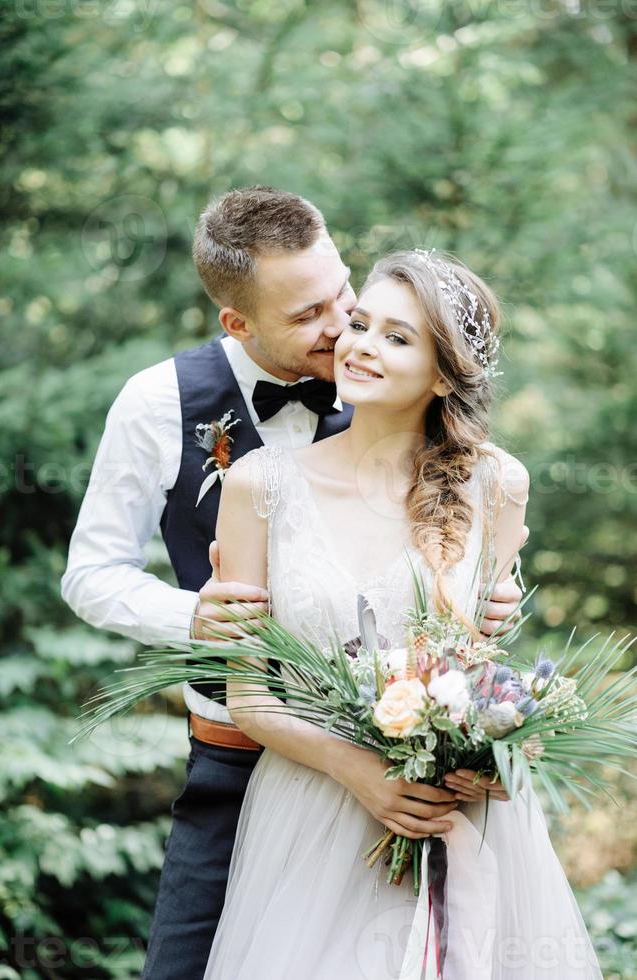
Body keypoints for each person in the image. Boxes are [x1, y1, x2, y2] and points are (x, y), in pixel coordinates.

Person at [60, 187, 527, 979]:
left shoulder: (390, 378)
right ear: (237, 324)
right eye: (309, 314)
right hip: (240, 752)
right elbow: (90, 573)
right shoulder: (159, 403)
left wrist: (497, 598)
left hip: (410, 764)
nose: (343, 326)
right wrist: (200, 616)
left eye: (341, 292)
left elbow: (465, 535)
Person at [203, 248, 601, 978]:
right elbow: (249, 695)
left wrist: (488, 754)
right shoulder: (259, 486)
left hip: (458, 815)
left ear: (445, 372)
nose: (360, 346)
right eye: (360, 323)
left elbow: (484, 669)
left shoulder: (495, 484)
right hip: (316, 809)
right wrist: (362, 773)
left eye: (397, 336)